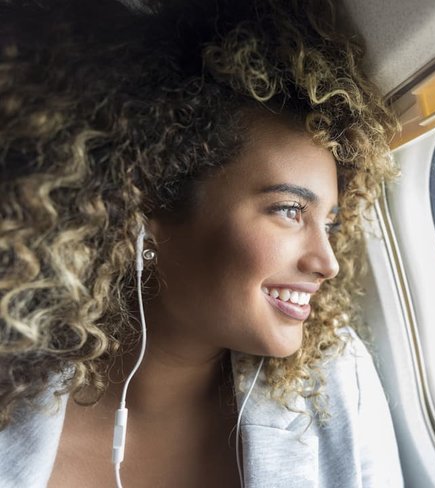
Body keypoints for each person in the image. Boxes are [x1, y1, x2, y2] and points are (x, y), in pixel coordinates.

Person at [0, 0, 403, 486]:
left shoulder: (337, 379)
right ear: (154, 207)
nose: (328, 262)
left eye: (330, 223)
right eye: (290, 211)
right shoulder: (13, 387)